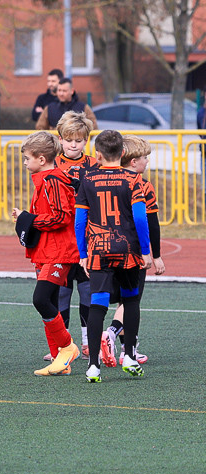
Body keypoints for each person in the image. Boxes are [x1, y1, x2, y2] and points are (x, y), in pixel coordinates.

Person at [74, 130, 151, 383]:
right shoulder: (133, 179)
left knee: (98, 304)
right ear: (122, 153)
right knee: (130, 301)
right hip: (127, 249)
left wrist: (83, 253)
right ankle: (129, 356)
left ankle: (93, 366)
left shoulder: (87, 178)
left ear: (97, 155)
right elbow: (140, 217)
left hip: (98, 249)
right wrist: (146, 250)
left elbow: (80, 221)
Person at [9, 132, 81, 376]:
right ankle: (58, 360)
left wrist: (30, 220)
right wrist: (25, 217)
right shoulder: (45, 179)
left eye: (27, 158)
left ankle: (68, 348)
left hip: (59, 251)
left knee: (41, 299)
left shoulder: (53, 180)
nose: (25, 162)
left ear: (41, 159)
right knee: (47, 302)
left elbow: (62, 216)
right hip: (47, 249)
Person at [100, 136, 166, 367]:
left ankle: (125, 347)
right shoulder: (142, 184)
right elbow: (151, 222)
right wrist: (155, 255)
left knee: (121, 300)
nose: (147, 161)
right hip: (134, 249)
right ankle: (115, 337)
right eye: (145, 157)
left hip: (107, 247)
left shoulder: (105, 179)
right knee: (132, 299)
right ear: (134, 161)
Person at [50, 111, 97, 359]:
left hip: (87, 239)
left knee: (88, 290)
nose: (73, 144)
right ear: (60, 139)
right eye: (69, 139)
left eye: (79, 140)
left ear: (86, 141)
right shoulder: (53, 163)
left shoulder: (93, 165)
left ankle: (88, 341)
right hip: (61, 239)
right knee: (62, 291)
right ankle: (63, 344)